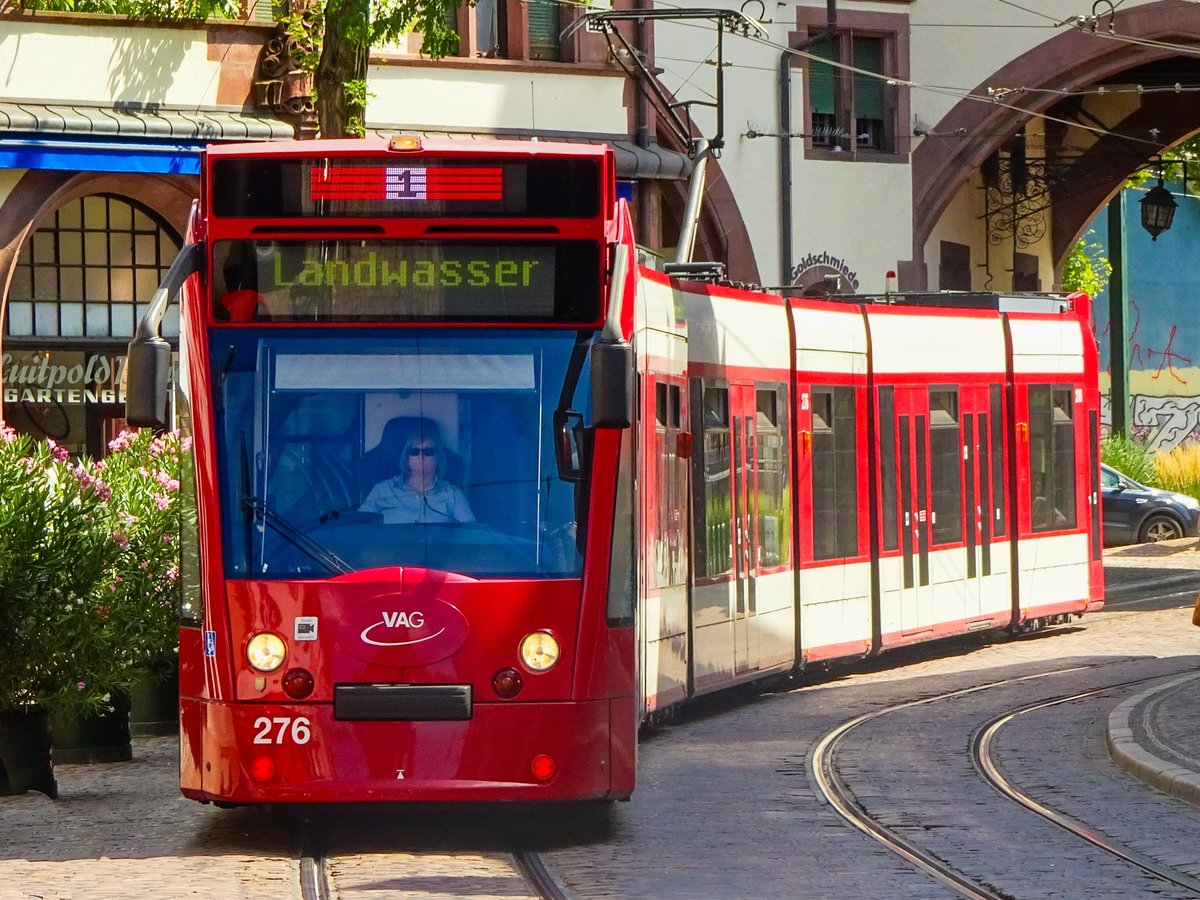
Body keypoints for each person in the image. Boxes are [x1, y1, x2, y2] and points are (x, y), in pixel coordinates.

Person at [359, 423, 475, 524]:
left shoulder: (453, 494)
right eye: (414, 451)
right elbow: (360, 526)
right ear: (406, 459)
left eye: (428, 451)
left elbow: (470, 532)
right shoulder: (382, 490)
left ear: (438, 458)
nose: (421, 456)